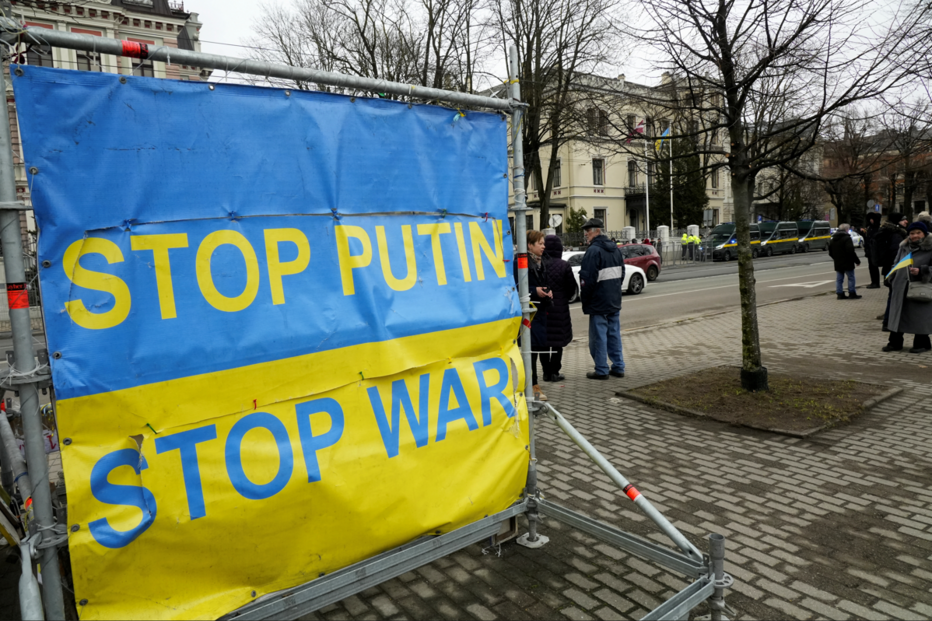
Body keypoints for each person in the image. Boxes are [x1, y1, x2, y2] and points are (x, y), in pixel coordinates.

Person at [579, 218, 625, 380]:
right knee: (614, 334)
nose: (586, 234)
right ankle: (618, 366)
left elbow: (587, 280)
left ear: (597, 231)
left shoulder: (593, 251)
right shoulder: (616, 250)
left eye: (588, 231)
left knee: (599, 337)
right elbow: (622, 274)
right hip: (614, 300)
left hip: (598, 302)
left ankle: (601, 370)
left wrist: (586, 300)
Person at [513, 230, 552, 400]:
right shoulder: (519, 263)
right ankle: (532, 386)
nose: (544, 246)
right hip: (528, 314)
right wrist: (534, 291)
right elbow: (515, 287)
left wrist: (548, 291)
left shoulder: (540, 262)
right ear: (529, 245)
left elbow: (544, 283)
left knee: (536, 349)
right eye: (540, 243)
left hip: (539, 312)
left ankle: (532, 384)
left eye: (544, 243)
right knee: (530, 350)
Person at [883, 221, 932, 353]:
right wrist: (890, 277)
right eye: (912, 233)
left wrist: (922, 271)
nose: (915, 236)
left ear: (924, 233)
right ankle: (895, 342)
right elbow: (896, 263)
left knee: (919, 315)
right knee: (897, 314)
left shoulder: (930, 247)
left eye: (918, 233)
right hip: (900, 286)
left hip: (920, 287)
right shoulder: (904, 246)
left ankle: (922, 342)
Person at [541, 235, 577, 382]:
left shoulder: (539, 264)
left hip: (543, 308)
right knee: (557, 343)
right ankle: (555, 372)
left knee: (544, 342)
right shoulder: (564, 265)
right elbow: (571, 288)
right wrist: (563, 298)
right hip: (560, 308)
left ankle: (545, 372)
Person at [874, 213, 909, 322]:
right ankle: (889, 320)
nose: (906, 222)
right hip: (895, 269)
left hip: (889, 268)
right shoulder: (896, 234)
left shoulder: (891, 232)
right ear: (897, 222)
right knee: (894, 295)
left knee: (893, 294)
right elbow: (896, 253)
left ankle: (889, 319)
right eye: (903, 220)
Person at [829, 224, 862, 299]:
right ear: (847, 230)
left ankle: (839, 294)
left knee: (839, 279)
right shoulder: (847, 238)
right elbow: (850, 251)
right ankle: (852, 293)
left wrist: (836, 258)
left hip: (838, 262)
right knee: (851, 277)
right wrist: (857, 261)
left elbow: (830, 252)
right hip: (848, 262)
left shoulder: (833, 239)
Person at [864, 212, 882, 288]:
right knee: (872, 267)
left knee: (873, 267)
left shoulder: (875, 228)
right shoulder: (871, 228)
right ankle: (874, 282)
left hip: (873, 251)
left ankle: (875, 282)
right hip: (870, 250)